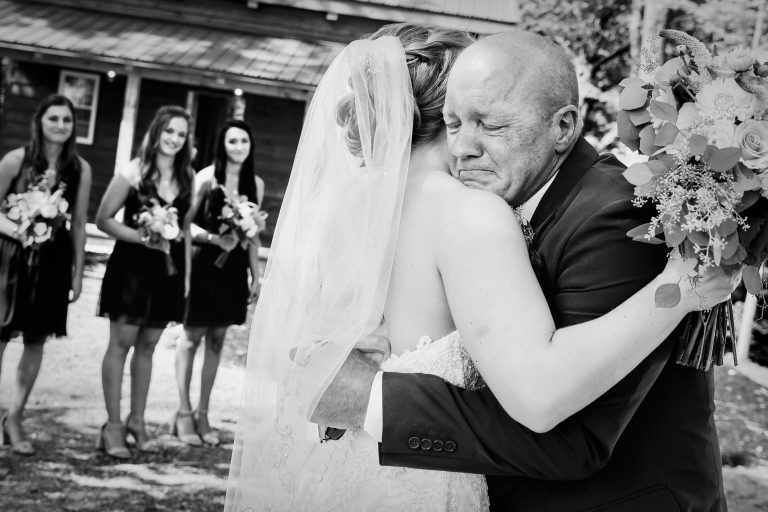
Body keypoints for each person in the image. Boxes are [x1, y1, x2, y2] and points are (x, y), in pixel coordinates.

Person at [225, 25, 740, 511]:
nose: (463, 146)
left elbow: (565, 434)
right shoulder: (464, 207)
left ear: (563, 126)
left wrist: (371, 399)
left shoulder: (617, 213)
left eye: (489, 124)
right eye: (454, 123)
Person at [96, 105, 194, 459]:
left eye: (181, 134)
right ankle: (113, 426)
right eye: (169, 131)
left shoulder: (187, 177)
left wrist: (186, 278)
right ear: (156, 132)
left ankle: (137, 421)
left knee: (149, 346)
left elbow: (184, 231)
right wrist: (140, 237)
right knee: (121, 344)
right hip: (132, 270)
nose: (174, 139)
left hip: (166, 273)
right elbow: (103, 218)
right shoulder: (134, 171)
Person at [0, 94, 92, 456]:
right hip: (11, 258)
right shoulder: (16, 160)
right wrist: (19, 230)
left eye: (67, 120)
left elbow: (80, 222)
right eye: (53, 118)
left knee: (36, 339)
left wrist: (77, 272)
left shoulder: (80, 169)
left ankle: (14, 417)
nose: (60, 125)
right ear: (39, 121)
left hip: (54, 259)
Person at [174, 119, 264, 446]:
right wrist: (214, 238)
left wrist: (256, 274)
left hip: (234, 269)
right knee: (191, 338)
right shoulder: (206, 178)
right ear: (222, 145)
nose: (238, 147)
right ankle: (183, 412)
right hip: (204, 264)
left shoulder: (256, 183)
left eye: (244, 141)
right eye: (232, 141)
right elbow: (184, 226)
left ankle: (203, 413)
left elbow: (253, 235)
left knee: (216, 341)